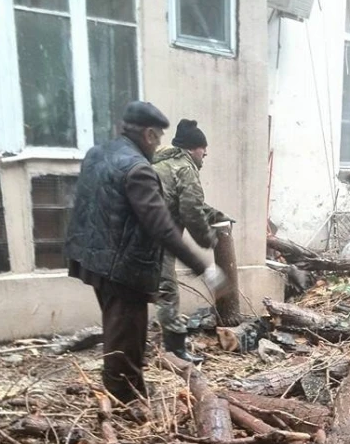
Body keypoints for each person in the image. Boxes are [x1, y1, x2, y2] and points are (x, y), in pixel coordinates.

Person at [65, 101, 226, 409]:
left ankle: (132, 391)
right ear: (149, 134)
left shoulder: (98, 154)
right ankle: (126, 405)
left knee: (120, 330)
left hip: (91, 258)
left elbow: (90, 206)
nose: (159, 144)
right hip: (122, 268)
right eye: (158, 137)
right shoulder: (138, 169)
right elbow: (163, 229)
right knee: (126, 338)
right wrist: (205, 268)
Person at [153, 119, 234, 362]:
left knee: (137, 290)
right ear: (192, 149)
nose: (205, 153)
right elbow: (190, 210)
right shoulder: (185, 169)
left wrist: (218, 217)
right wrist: (210, 239)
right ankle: (175, 351)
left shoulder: (167, 165)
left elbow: (189, 205)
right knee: (167, 289)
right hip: (155, 236)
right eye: (203, 149)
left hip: (140, 232)